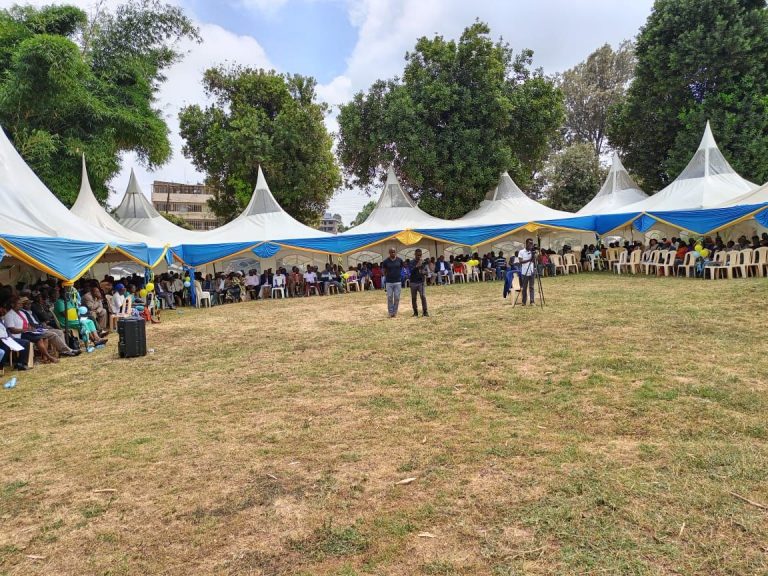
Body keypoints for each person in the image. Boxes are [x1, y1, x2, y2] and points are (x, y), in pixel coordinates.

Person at [381, 248, 404, 317]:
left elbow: (401, 268)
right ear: (389, 252)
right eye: (391, 252)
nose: (393, 253)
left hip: (397, 282)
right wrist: (387, 276)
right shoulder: (385, 261)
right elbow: (384, 270)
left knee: (397, 297)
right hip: (389, 282)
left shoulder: (400, 260)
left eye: (394, 252)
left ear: (395, 252)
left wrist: (399, 275)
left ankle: (395, 312)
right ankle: (390, 312)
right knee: (390, 297)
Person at [409, 249, 429, 317]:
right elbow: (410, 271)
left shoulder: (424, 262)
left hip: (421, 282)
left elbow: (427, 272)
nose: (419, 256)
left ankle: (425, 312)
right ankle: (415, 312)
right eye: (418, 255)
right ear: (415, 254)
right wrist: (417, 266)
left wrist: (424, 272)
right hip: (413, 282)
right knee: (414, 298)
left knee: (423, 296)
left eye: (420, 255)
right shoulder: (411, 262)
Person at [518, 238, 537, 306]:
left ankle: (532, 301)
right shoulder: (521, 252)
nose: (531, 245)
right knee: (524, 288)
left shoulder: (532, 252)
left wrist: (534, 255)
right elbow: (520, 261)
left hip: (531, 272)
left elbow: (534, 262)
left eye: (532, 243)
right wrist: (529, 260)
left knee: (531, 287)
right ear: (526, 243)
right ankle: (524, 302)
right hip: (524, 272)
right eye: (530, 243)